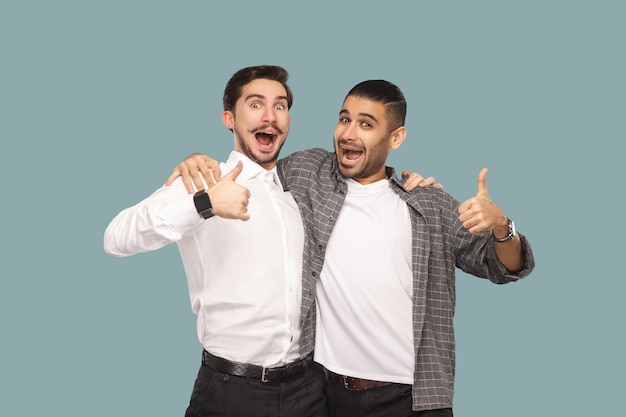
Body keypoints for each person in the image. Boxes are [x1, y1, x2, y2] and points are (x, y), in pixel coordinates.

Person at [170, 79, 535, 416]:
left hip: (412, 399)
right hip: (327, 395)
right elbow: (253, 168)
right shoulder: (308, 173)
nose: (348, 133)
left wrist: (503, 227)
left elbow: (502, 266)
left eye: (366, 124)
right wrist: (201, 164)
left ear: (396, 138)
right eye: (344, 119)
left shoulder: (427, 204)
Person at [104, 66, 436, 417]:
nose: (270, 116)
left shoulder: (299, 191)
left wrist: (406, 184)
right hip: (231, 390)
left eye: (280, 106)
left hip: (307, 388)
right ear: (229, 118)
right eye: (256, 104)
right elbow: (117, 237)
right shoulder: (204, 180)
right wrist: (204, 204)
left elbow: (366, 188)